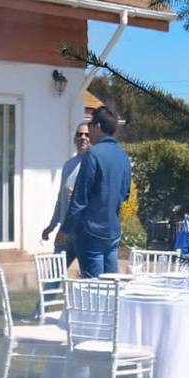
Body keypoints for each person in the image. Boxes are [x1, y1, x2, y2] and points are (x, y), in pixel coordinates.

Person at [61, 106, 131, 278]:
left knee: (94, 289)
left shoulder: (92, 154)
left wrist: (65, 230)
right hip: (112, 232)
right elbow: (125, 194)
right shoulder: (123, 156)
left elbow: (79, 198)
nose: (89, 130)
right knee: (112, 287)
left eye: (90, 125)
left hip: (90, 232)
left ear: (97, 126)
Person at [41, 121, 91, 267]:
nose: (83, 137)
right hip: (65, 232)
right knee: (55, 274)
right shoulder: (68, 165)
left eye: (87, 134)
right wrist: (52, 225)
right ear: (74, 139)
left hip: (84, 231)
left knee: (88, 278)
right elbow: (61, 199)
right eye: (79, 134)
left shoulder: (93, 163)